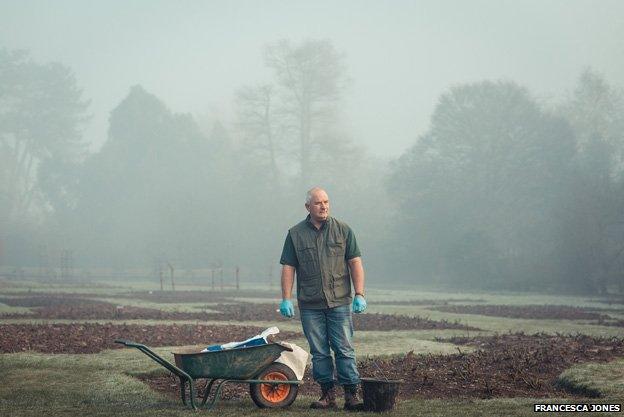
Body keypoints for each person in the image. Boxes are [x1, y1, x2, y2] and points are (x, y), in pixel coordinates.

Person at [278, 187, 367, 411]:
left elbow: (355, 262)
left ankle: (351, 395)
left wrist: (360, 294)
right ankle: (327, 395)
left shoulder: (343, 230)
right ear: (308, 207)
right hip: (311, 304)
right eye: (318, 203)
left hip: (340, 301)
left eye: (326, 201)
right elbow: (289, 267)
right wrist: (286, 298)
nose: (324, 206)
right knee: (319, 352)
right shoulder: (295, 234)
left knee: (344, 348)